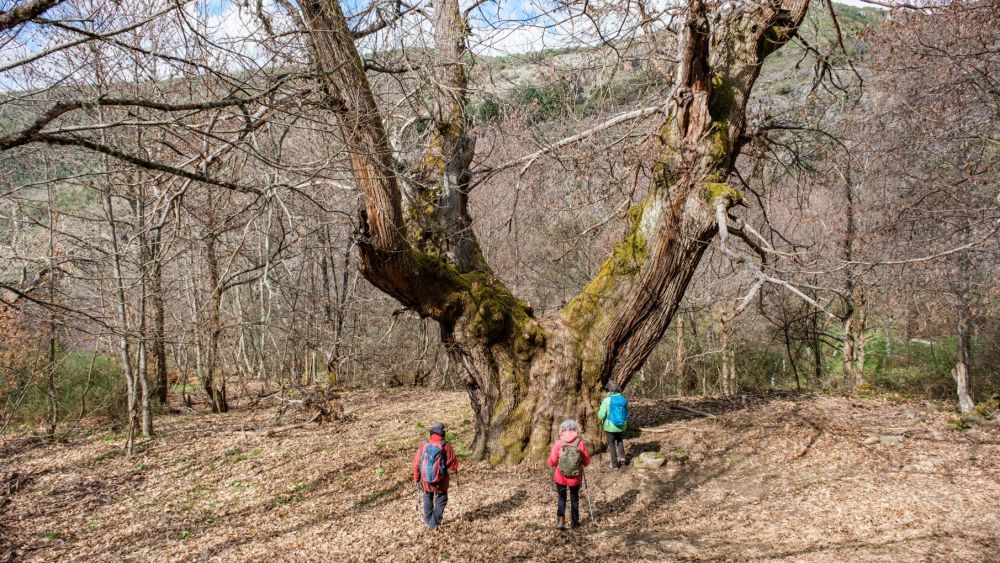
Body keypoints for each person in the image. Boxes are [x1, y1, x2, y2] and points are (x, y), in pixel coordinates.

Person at [412, 422, 460, 530]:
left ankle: (428, 520)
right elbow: (452, 463)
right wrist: (455, 467)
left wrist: (416, 478)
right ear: (442, 431)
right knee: (441, 499)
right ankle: (433, 523)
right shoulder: (445, 445)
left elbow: (416, 463)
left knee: (427, 496)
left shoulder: (424, 444)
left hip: (426, 480)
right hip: (441, 481)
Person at [546, 419, 591, 530]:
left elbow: (552, 460)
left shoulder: (559, 443)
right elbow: (586, 461)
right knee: (574, 498)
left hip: (560, 476)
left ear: (562, 430)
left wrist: (552, 464)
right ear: (575, 430)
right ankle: (575, 522)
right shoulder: (580, 443)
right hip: (575, 477)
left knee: (562, 497)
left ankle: (560, 521)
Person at [597, 381, 629, 470]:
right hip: (621, 425)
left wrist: (599, 413)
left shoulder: (606, 400)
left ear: (610, 391)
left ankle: (614, 465)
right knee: (619, 440)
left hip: (610, 426)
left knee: (611, 444)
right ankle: (622, 457)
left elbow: (601, 415)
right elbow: (626, 413)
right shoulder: (623, 399)